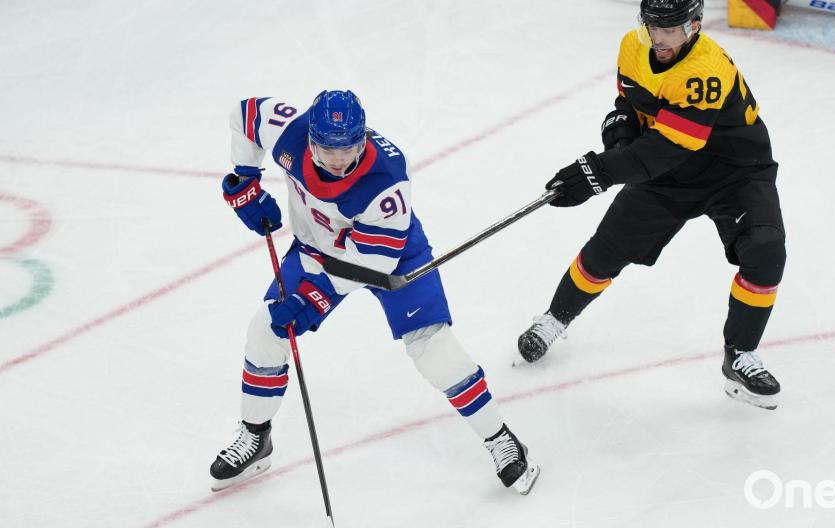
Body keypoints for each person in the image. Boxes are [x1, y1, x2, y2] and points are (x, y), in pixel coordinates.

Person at [209, 90, 540, 494]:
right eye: (327, 148)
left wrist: (309, 298)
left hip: (391, 254)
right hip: (317, 247)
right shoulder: (290, 131)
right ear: (310, 136)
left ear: (362, 137)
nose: (337, 159)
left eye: (347, 147)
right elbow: (245, 116)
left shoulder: (386, 181)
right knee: (265, 332)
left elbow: (370, 264)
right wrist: (245, 181)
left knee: (435, 351)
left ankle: (499, 438)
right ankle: (256, 436)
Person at [518, 0, 786, 410]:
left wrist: (598, 172)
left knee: (765, 252)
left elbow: (664, 149)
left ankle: (740, 356)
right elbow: (631, 104)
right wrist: (620, 132)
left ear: (694, 26)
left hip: (735, 172)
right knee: (606, 250)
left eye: (669, 30)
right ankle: (556, 317)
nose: (657, 40)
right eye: (650, 28)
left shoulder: (705, 72)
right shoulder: (632, 46)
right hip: (670, 175)